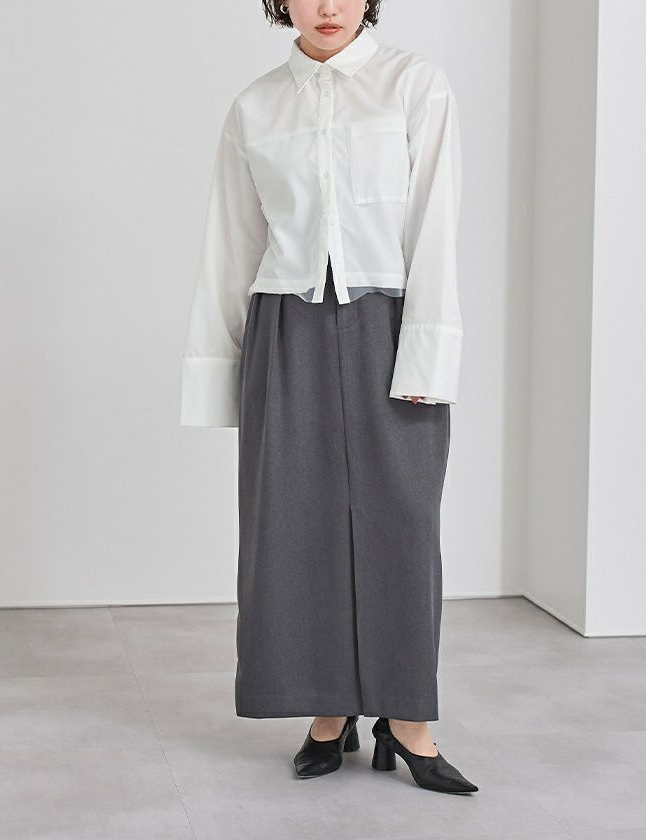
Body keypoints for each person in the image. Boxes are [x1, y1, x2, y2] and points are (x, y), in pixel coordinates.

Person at [180, 0, 477, 795]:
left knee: (403, 520)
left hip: (391, 321)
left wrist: (429, 347)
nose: (329, 6)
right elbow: (231, 242)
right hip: (287, 326)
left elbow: (436, 224)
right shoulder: (255, 106)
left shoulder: (414, 84)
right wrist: (220, 367)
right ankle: (328, 710)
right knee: (295, 523)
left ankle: (407, 720)